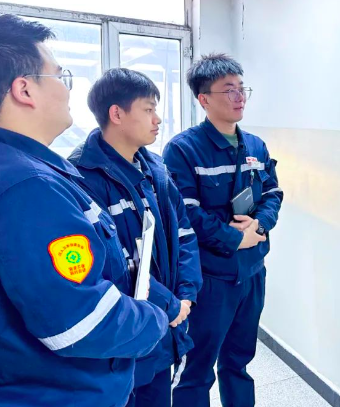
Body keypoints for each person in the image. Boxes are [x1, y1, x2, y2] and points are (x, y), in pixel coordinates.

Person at [0, 14, 169, 407]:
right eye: (60, 76)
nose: (66, 88)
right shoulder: (29, 186)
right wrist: (155, 319)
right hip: (60, 392)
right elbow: (80, 320)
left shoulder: (38, 169)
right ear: (25, 89)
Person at [68, 68, 203, 407]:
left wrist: (186, 294)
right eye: (148, 109)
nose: (157, 119)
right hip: (124, 337)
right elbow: (110, 267)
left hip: (165, 328)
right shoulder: (81, 178)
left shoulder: (155, 169)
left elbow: (184, 233)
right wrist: (171, 304)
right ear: (116, 114)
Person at [164, 53, 283, 407]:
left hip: (252, 273)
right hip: (211, 278)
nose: (239, 97)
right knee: (196, 370)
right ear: (204, 99)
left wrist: (260, 224)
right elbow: (186, 213)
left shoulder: (256, 146)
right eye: (229, 90)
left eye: (242, 88)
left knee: (239, 362)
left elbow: (273, 193)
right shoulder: (183, 149)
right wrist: (236, 239)